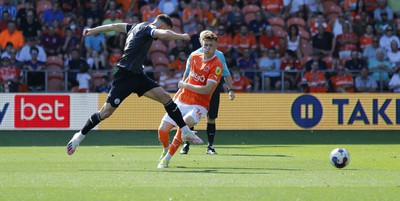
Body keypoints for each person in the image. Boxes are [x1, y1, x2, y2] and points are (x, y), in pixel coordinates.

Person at [66, 14, 202, 155]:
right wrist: (183, 36)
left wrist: (93, 30)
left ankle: (185, 131)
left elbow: (114, 26)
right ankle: (79, 137)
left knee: (165, 97)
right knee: (105, 113)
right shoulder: (150, 28)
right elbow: (165, 34)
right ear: (161, 26)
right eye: (166, 28)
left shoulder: (136, 26)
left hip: (137, 74)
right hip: (124, 75)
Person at [157, 31, 223, 168]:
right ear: (201, 44)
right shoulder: (194, 57)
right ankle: (166, 149)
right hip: (182, 99)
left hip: (199, 105)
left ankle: (167, 158)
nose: (208, 47)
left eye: (211, 45)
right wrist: (179, 92)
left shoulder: (216, 65)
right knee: (162, 130)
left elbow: (207, 89)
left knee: (185, 123)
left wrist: (185, 85)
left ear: (216, 46)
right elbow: (189, 76)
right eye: (206, 44)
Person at [179, 30, 235, 155]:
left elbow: (226, 73)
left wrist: (231, 89)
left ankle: (210, 146)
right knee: (190, 117)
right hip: (194, 90)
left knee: (211, 118)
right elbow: (187, 72)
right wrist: (183, 86)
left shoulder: (219, 55)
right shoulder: (194, 55)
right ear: (201, 41)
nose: (208, 45)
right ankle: (186, 144)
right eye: (204, 40)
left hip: (212, 91)